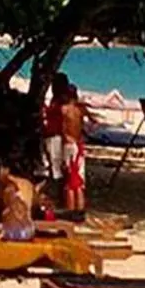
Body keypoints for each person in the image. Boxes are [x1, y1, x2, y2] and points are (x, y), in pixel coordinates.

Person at [61, 84, 87, 212]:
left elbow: (62, 129)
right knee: (79, 182)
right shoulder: (80, 110)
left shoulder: (64, 109)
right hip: (79, 144)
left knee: (70, 183)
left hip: (69, 143)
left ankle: (70, 212)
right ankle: (80, 212)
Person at [43, 73, 70, 186]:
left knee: (56, 166)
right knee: (53, 165)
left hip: (56, 135)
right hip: (51, 134)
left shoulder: (62, 100)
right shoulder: (56, 99)